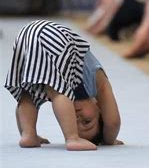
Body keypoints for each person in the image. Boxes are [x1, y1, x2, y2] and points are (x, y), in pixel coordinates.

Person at [5, 20, 122, 151]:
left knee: (29, 92)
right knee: (58, 91)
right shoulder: (96, 81)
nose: (77, 118)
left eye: (74, 123)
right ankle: (72, 138)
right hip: (54, 36)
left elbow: (25, 100)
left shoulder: (57, 83)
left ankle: (28, 134)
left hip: (27, 34)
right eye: (87, 121)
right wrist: (109, 140)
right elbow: (113, 122)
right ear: (99, 108)